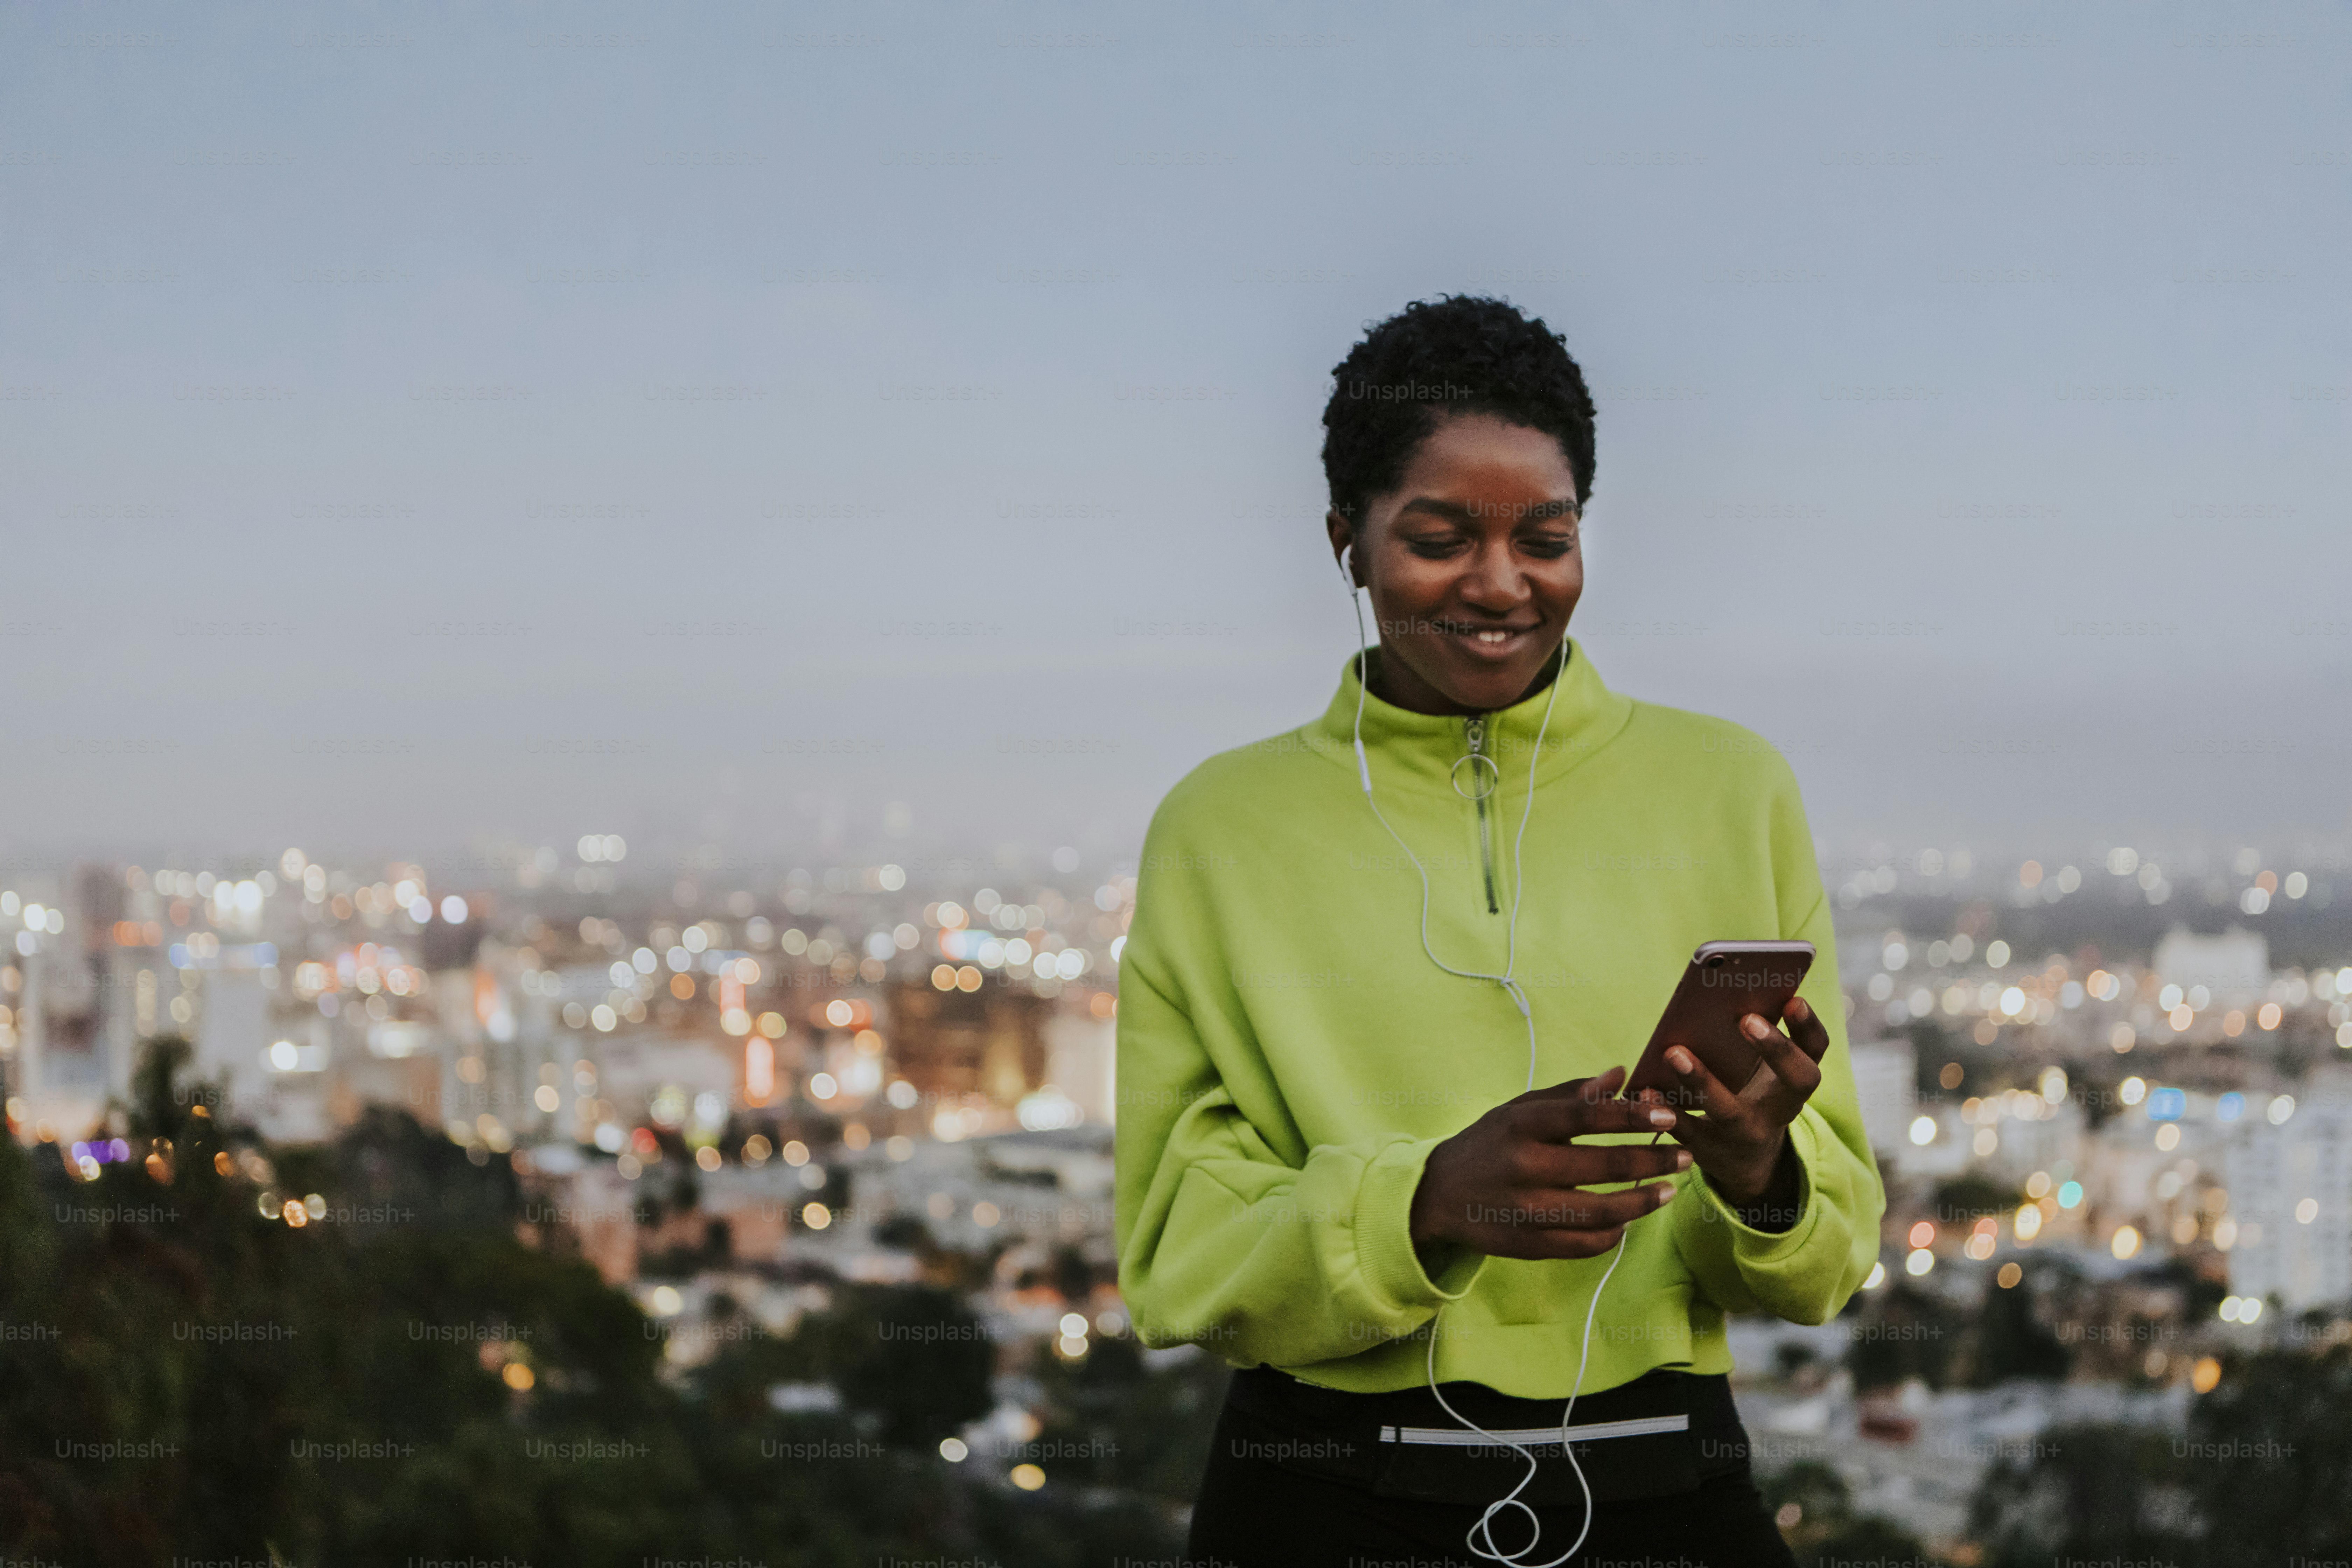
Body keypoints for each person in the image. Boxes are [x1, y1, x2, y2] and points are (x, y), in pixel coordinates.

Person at [1113, 295, 1885, 1564]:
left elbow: (1830, 1253)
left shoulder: (1733, 790)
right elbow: (1173, 1253)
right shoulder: (1220, 826)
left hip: (1665, 1485)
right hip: (1320, 1497)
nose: (1500, 583)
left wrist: (1761, 1175)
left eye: (1547, 534)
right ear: (1345, 543)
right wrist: (1424, 1205)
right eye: (1438, 537)